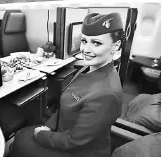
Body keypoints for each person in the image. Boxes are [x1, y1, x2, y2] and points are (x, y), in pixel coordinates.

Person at [9, 12, 125, 157]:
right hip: (64, 132)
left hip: (79, 151)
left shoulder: (107, 94)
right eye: (84, 41)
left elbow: (75, 142)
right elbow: (65, 108)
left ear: (116, 46)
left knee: (21, 140)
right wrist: (48, 126)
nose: (86, 50)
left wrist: (42, 135)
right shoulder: (89, 67)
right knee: (23, 135)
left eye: (97, 43)